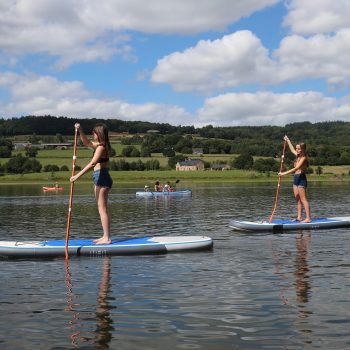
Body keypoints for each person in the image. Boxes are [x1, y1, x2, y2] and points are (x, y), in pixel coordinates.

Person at [70, 123, 113, 244]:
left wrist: (77, 176)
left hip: (102, 177)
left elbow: (93, 163)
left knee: (102, 209)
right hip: (99, 177)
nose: (92, 134)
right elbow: (87, 143)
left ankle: (107, 238)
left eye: (94, 132)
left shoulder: (101, 147)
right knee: (101, 208)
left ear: (98, 133)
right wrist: (80, 130)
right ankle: (105, 235)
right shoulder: (101, 145)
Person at [279, 135, 311, 223]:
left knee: (303, 199)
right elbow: (292, 149)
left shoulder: (303, 158)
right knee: (297, 199)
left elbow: (296, 168)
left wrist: (283, 173)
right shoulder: (297, 156)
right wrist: (288, 140)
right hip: (295, 178)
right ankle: (299, 217)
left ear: (303, 149)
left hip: (301, 179)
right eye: (296, 148)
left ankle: (308, 218)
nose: (297, 150)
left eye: (299, 149)